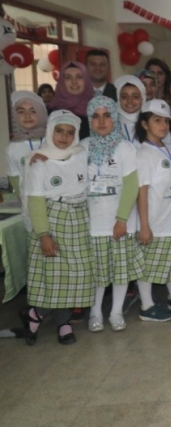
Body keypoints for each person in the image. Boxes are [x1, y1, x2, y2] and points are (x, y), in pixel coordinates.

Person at [19, 110, 94, 345]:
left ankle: (50, 316)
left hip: (78, 219)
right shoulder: (40, 160)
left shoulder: (81, 154)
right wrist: (44, 234)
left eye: (71, 132)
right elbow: (36, 200)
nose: (64, 137)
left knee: (76, 275)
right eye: (59, 131)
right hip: (53, 220)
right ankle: (52, 318)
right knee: (54, 276)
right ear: (50, 132)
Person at [83, 96, 144, 333]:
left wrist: (121, 219)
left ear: (114, 118)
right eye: (95, 116)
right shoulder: (83, 147)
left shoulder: (124, 147)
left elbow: (131, 185)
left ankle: (116, 311)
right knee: (98, 273)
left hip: (121, 221)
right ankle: (95, 312)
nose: (101, 121)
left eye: (106, 115)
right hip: (94, 222)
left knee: (120, 271)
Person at [134, 99, 171, 323]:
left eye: (166, 121)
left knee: (170, 262)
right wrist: (144, 225)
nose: (163, 125)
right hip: (155, 220)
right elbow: (141, 191)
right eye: (157, 121)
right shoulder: (144, 153)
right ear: (145, 124)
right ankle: (147, 305)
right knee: (150, 263)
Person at [6, 91, 47, 231]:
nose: (27, 116)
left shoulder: (54, 140)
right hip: (32, 211)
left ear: (41, 112)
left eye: (33, 111)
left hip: (59, 208)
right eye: (21, 112)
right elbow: (17, 184)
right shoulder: (13, 148)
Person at [49, 61, 94, 139]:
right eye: (68, 77)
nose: (74, 82)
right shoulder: (51, 112)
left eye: (79, 77)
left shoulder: (96, 110)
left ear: (86, 80)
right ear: (62, 82)